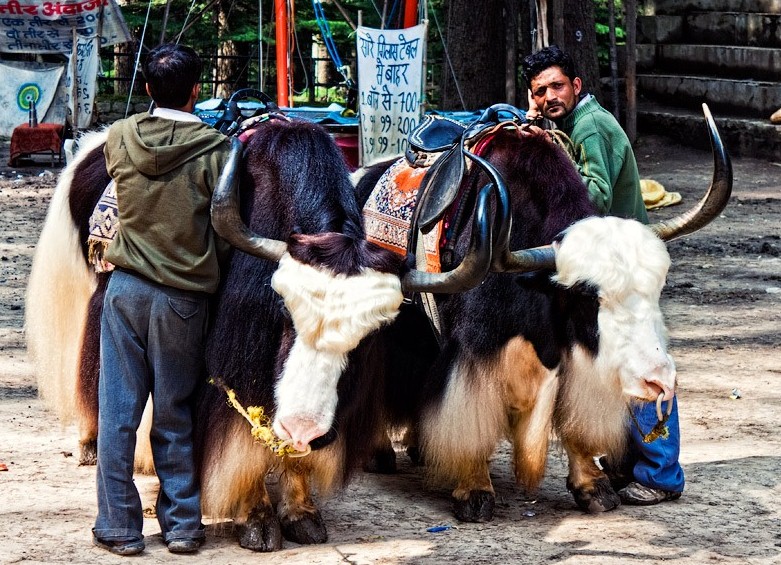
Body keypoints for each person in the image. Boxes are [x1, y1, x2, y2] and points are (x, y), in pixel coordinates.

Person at [521, 44, 684, 506]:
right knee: (618, 366)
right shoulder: (567, 123)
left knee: (646, 363)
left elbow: (592, 195)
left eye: (556, 86)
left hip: (623, 270)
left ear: (577, 85)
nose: (549, 96)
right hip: (610, 267)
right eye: (539, 91)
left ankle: (661, 475)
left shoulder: (589, 125)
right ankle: (632, 467)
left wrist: (546, 170)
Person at [92, 43, 232, 555]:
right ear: (198, 90)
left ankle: (119, 527)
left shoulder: (119, 136)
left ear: (147, 87)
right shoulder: (218, 150)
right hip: (182, 300)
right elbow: (225, 228)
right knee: (175, 413)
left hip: (124, 292)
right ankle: (183, 527)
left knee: (118, 414)